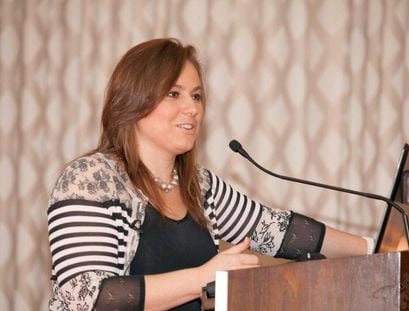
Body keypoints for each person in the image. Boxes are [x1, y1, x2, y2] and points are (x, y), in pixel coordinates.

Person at [47, 38, 372, 311]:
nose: (193, 108)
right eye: (174, 94)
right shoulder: (90, 178)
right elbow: (87, 296)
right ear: (133, 101)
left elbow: (278, 231)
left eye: (197, 96)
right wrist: (204, 276)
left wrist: (375, 248)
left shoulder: (200, 186)